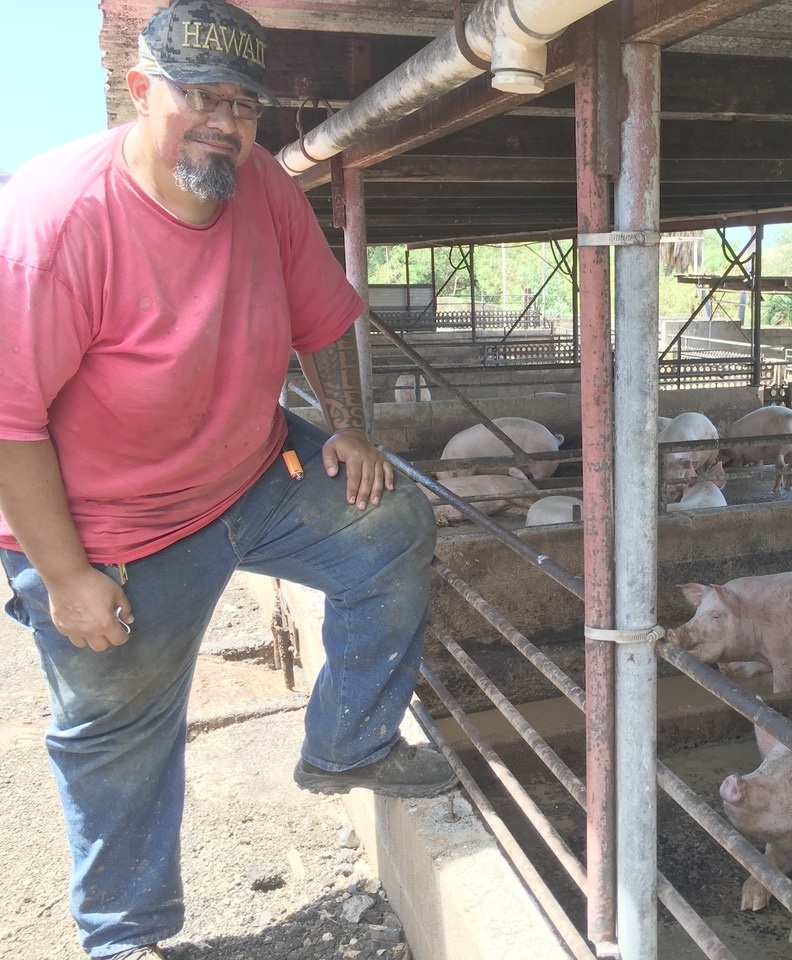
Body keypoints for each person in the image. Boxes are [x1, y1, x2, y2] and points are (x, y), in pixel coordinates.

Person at [0, 1, 457, 957]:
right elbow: (8, 424)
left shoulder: (262, 188)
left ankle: (349, 746)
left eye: (243, 105)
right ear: (140, 91)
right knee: (119, 733)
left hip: (253, 471)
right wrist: (68, 575)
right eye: (200, 97)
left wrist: (350, 430)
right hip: (111, 527)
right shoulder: (53, 223)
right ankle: (124, 938)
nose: (224, 122)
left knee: (390, 523)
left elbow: (323, 316)